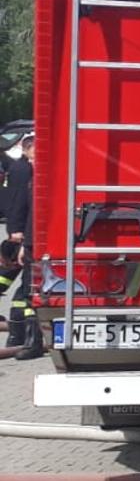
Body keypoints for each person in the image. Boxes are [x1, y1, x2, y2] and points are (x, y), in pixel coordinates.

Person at [1, 133, 41, 361]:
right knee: (25, 286)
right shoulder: (23, 171)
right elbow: (19, 204)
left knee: (26, 288)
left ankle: (20, 337)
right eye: (34, 150)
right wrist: (19, 236)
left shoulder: (28, 170)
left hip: (27, 237)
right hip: (24, 237)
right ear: (26, 150)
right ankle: (25, 339)